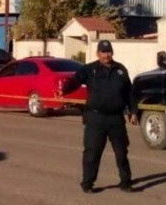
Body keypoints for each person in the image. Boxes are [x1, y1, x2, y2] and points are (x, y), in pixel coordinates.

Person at [58, 40, 138, 194]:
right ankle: (88, 183)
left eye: (108, 52)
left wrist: (133, 111)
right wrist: (65, 89)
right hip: (96, 118)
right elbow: (76, 80)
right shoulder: (90, 69)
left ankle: (126, 182)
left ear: (112, 53)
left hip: (116, 118)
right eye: (103, 52)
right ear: (97, 54)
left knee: (122, 153)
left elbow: (129, 92)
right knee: (92, 153)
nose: (106, 55)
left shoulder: (120, 70)